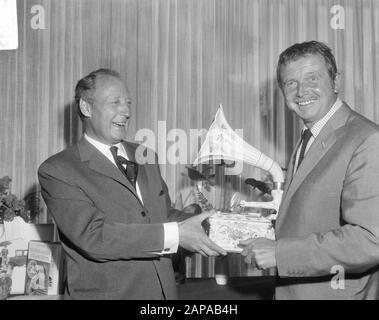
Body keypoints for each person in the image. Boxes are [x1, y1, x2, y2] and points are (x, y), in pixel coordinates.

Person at [38, 68, 226, 300]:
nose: (126, 111)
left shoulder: (146, 155)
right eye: (115, 102)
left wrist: (216, 224)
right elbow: (94, 236)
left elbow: (162, 215)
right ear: (86, 108)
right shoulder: (58, 170)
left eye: (128, 103)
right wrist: (176, 235)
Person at [239, 40, 379, 299]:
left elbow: (371, 240)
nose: (302, 91)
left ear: (335, 82)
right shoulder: (311, 135)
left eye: (312, 78)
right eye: (290, 83)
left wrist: (280, 253)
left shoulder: (367, 139)